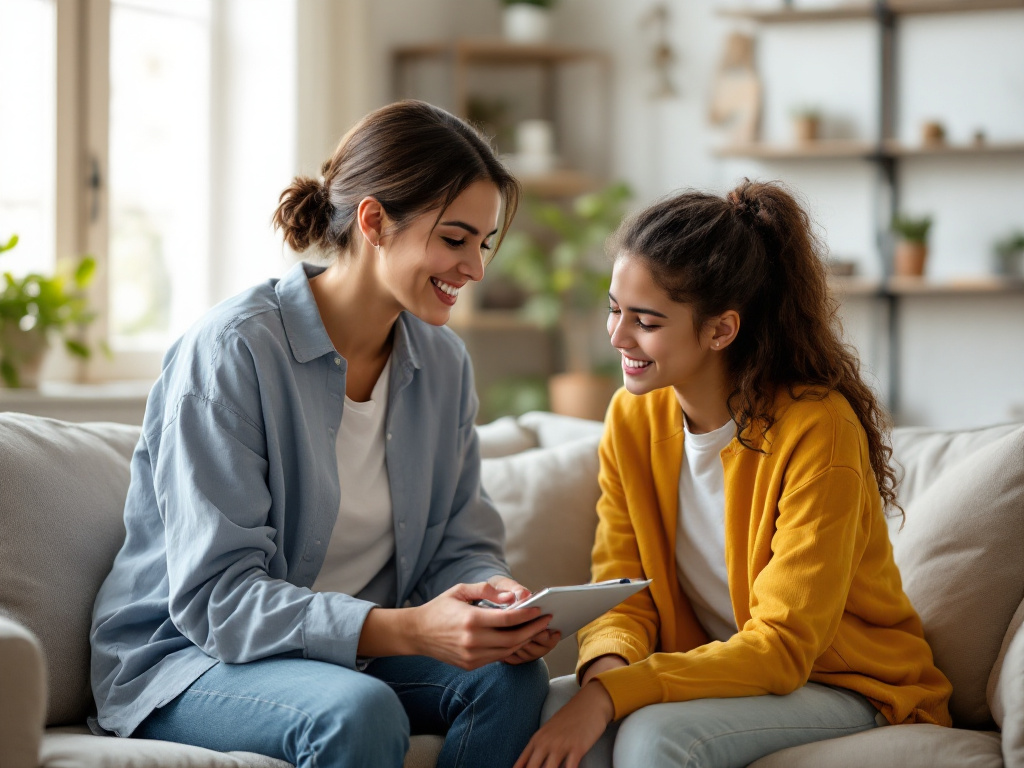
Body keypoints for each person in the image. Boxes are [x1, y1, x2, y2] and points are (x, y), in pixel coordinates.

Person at [90, 100, 557, 768]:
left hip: (350, 655)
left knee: (510, 681)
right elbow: (219, 599)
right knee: (357, 711)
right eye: (455, 240)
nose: (476, 269)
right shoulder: (233, 351)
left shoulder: (443, 363)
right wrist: (408, 628)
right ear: (374, 221)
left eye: (482, 245)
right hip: (191, 658)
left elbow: (459, 542)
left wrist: (495, 600)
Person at [514, 180, 953, 768]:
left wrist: (614, 696)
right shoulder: (631, 417)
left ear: (721, 329)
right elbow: (621, 593)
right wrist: (603, 680)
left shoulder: (818, 429)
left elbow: (782, 647)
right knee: (552, 708)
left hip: (847, 683)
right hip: (722, 670)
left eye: (646, 321)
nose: (617, 336)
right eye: (614, 309)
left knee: (655, 738)